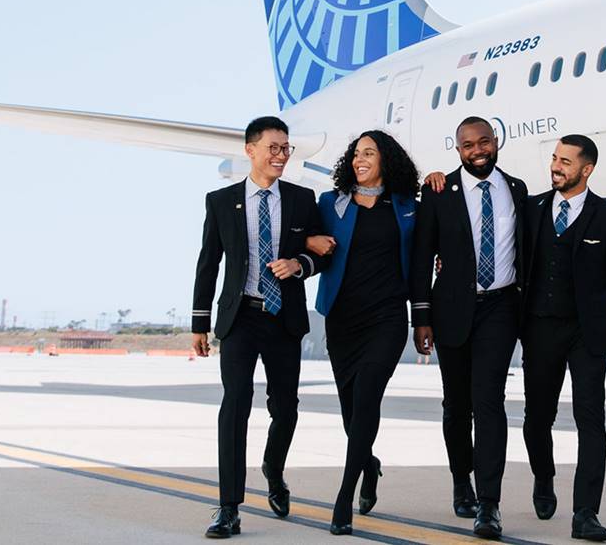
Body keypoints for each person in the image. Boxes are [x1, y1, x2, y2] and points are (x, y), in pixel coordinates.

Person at [191, 116, 325, 539]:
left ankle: (274, 468)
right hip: (240, 316)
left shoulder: (304, 199)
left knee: (285, 407)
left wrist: (299, 265)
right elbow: (207, 263)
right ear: (250, 150)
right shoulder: (221, 200)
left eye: (286, 148)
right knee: (235, 405)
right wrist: (199, 322)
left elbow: (324, 253)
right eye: (273, 147)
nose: (281, 155)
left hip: (283, 316)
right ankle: (228, 506)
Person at [521, 134, 606, 542]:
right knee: (536, 421)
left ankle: (585, 513)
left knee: (591, 422)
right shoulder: (532, 210)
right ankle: (544, 478)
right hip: (541, 329)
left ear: (587, 169)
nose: (555, 166)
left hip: (587, 333)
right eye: (554, 158)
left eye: (565, 161)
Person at [411, 116, 528, 540]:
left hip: (500, 308)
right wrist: (420, 316)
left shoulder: (516, 190)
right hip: (451, 311)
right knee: (456, 405)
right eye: (467, 145)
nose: (477, 150)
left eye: (484, 142)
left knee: (490, 402)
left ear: (496, 142)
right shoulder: (439, 191)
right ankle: (462, 479)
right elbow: (422, 256)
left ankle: (489, 503)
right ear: (457, 148)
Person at [305, 130, 419, 535]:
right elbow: (300, 238)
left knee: (368, 396)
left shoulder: (407, 206)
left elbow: (433, 246)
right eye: (355, 154)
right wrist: (309, 241)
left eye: (368, 153)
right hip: (343, 320)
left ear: (387, 159)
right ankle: (369, 466)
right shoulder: (330, 204)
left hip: (387, 318)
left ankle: (343, 497)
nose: (359, 159)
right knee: (352, 415)